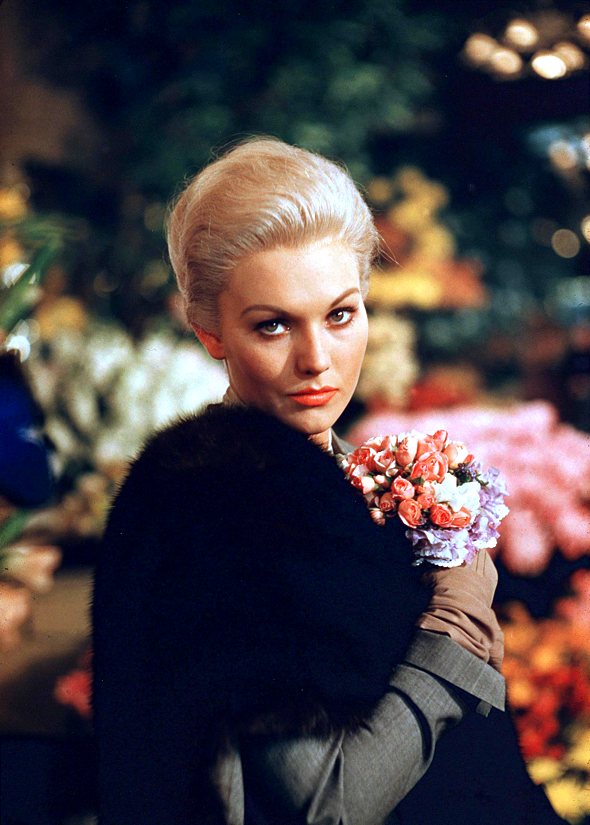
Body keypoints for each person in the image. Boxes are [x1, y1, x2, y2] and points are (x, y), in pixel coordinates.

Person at [92, 138, 564, 825]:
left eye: (340, 314)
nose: (317, 359)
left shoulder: (340, 475)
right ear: (210, 332)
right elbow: (331, 805)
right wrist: (457, 621)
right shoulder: (215, 506)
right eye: (273, 326)